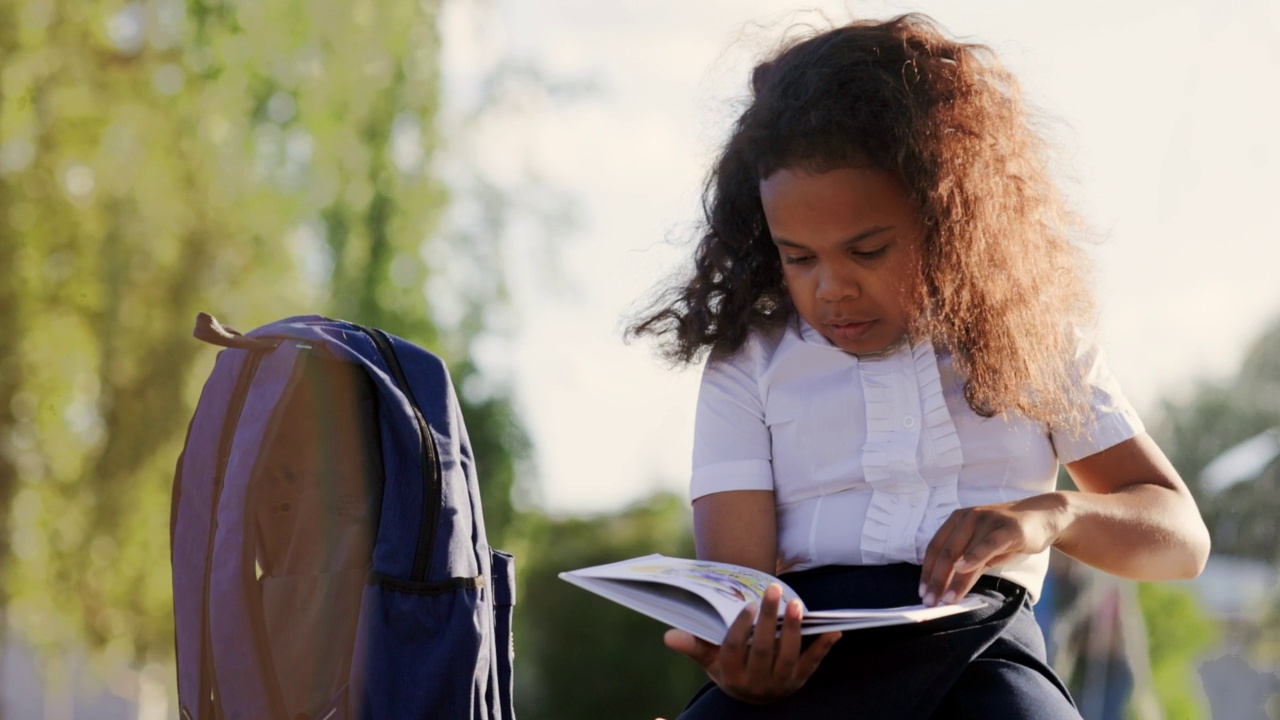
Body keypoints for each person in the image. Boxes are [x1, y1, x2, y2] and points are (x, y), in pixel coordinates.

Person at [628, 13, 1210, 719]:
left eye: (867, 250)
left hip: (985, 661)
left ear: (949, 221)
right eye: (798, 256)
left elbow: (1181, 540)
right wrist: (744, 667)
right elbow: (740, 595)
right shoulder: (749, 360)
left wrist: (1050, 515)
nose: (831, 288)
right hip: (803, 670)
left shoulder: (1034, 340)